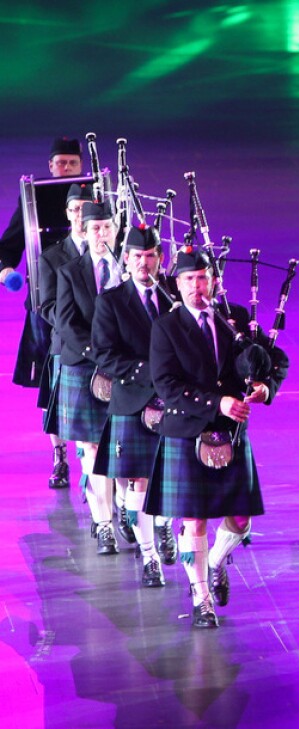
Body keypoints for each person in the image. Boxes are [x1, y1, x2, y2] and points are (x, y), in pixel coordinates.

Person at [145, 247, 288, 628]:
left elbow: (275, 360)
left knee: (240, 520)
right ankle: (201, 598)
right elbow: (167, 385)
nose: (197, 286)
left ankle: (214, 561)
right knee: (194, 521)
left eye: (203, 278)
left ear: (214, 280)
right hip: (188, 432)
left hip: (230, 434)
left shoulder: (233, 319)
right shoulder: (165, 328)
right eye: (189, 279)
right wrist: (217, 403)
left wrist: (265, 387)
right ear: (177, 284)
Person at [90, 225, 178, 584]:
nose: (144, 262)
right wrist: (149, 371)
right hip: (132, 399)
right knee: (139, 480)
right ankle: (149, 555)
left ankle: (165, 523)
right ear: (126, 259)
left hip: (174, 401)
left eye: (150, 256)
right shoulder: (111, 302)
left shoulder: (175, 296)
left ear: (160, 258)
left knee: (171, 475)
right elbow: (104, 354)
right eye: (137, 256)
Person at [2, 138, 83, 485]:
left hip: (90, 302)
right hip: (46, 302)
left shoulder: (95, 196)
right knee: (52, 381)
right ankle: (59, 454)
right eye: (59, 163)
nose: (64, 169)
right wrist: (6, 270)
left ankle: (92, 453)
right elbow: (8, 245)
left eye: (71, 163)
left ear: (80, 166)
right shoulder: (33, 197)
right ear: (50, 166)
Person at [55, 200, 122, 553]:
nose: (101, 234)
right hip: (84, 366)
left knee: (122, 445)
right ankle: (104, 522)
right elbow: (67, 324)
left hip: (123, 368)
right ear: (85, 230)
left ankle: (126, 509)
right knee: (93, 448)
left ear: (115, 230)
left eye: (107, 227)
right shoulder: (70, 271)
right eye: (95, 228)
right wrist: (101, 355)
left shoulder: (128, 267)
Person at [37, 182, 92, 489]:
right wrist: (78, 330)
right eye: (75, 210)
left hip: (107, 344)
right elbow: (47, 306)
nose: (80, 215)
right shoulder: (52, 257)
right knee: (63, 412)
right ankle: (61, 457)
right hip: (68, 344)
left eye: (86, 209)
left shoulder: (109, 254)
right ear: (67, 213)